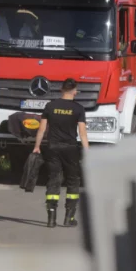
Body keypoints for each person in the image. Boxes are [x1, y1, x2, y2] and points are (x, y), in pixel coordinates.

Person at [33, 78, 89, 228]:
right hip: (70, 148)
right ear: (75, 91)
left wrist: (37, 146)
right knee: (73, 181)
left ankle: (51, 219)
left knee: (54, 179)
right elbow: (82, 133)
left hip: (53, 147)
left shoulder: (50, 106)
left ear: (61, 90)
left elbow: (42, 129)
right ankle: (69, 218)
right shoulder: (78, 109)